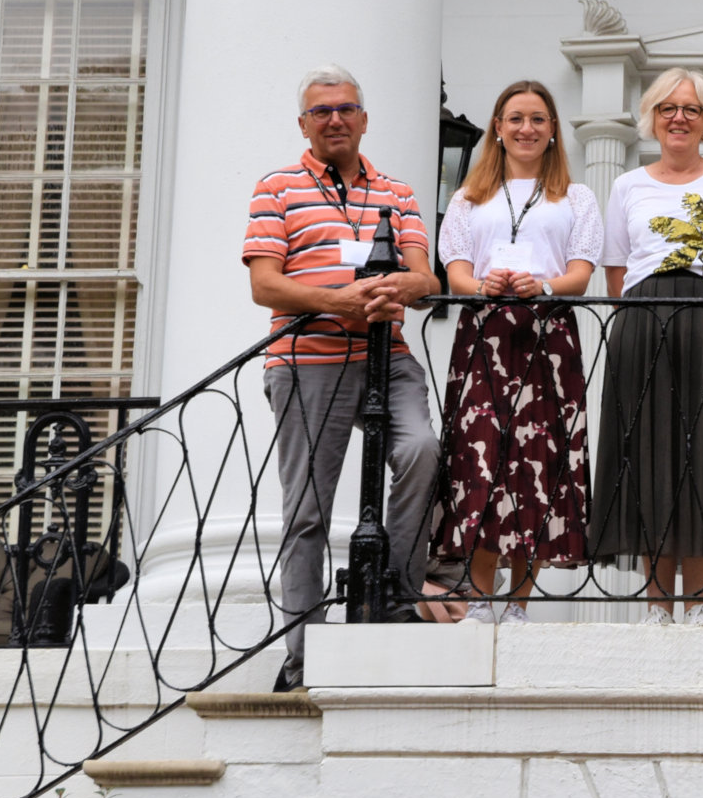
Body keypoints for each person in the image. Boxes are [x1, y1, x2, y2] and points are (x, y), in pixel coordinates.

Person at [243, 66, 440, 692]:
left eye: (346, 108)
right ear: (304, 124)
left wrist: (394, 288)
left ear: (363, 118)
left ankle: (398, 595)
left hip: (389, 354)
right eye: (321, 111)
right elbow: (264, 285)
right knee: (307, 511)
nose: (335, 119)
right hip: (309, 360)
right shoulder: (277, 188)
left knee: (421, 450)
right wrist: (340, 301)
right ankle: (302, 655)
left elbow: (426, 279)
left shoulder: (398, 192)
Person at [593, 67, 703, 625]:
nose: (679, 117)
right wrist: (648, 319)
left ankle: (698, 603)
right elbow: (617, 273)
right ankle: (656, 603)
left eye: (691, 108)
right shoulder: (627, 185)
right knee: (650, 452)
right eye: (668, 107)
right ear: (651, 117)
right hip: (644, 324)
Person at [433, 79, 603, 624]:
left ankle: (519, 602)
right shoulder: (469, 196)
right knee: (479, 456)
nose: (526, 128)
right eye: (515, 119)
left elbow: (580, 273)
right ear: (498, 129)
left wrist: (545, 285)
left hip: (546, 336)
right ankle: (482, 597)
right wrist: (480, 285)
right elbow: (456, 269)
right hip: (484, 336)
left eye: (537, 119)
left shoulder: (575, 197)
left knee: (537, 460)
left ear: (553, 131)